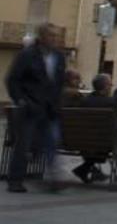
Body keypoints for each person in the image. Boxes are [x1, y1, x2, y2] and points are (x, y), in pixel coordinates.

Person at [5, 24, 66, 193]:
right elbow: (12, 79)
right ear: (42, 37)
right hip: (30, 106)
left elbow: (58, 82)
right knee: (23, 145)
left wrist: (57, 102)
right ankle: (15, 180)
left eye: (56, 36)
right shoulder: (27, 55)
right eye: (51, 36)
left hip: (50, 108)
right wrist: (21, 100)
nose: (54, 39)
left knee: (53, 141)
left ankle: (55, 179)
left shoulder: (59, 57)